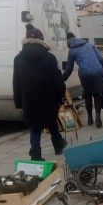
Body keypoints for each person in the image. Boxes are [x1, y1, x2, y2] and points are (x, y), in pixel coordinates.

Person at [13, 24, 67, 161]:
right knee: (52, 122)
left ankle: (36, 154)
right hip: (48, 98)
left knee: (35, 128)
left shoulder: (18, 59)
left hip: (29, 100)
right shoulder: (49, 58)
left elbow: (16, 83)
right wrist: (61, 97)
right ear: (42, 40)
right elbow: (58, 81)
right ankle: (58, 146)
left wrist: (18, 102)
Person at [62, 32, 103, 127]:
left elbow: (69, 68)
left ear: (68, 41)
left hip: (85, 74)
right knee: (97, 95)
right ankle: (98, 117)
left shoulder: (72, 50)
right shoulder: (89, 45)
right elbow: (101, 59)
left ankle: (90, 118)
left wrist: (62, 79)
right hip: (99, 72)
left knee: (87, 94)